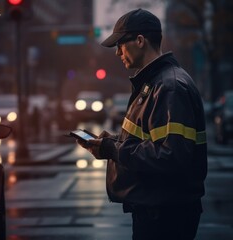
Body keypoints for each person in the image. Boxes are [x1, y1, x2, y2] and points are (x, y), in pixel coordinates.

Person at [77, 8, 207, 240]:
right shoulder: (157, 83)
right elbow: (153, 142)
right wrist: (113, 142)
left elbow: (171, 155)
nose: (117, 52)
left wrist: (113, 149)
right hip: (158, 208)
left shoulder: (169, 87)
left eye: (120, 44)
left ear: (140, 40)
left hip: (166, 215)